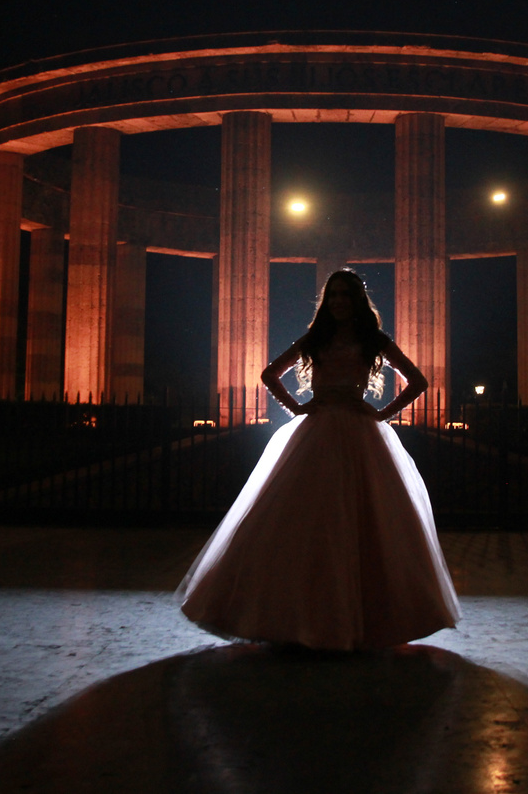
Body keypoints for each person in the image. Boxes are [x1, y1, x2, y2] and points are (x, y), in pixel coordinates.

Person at [176, 269, 462, 651]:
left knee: (362, 520)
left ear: (357, 300)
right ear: (327, 301)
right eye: (334, 295)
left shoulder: (373, 339)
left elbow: (418, 381)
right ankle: (298, 618)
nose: (339, 301)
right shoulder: (315, 338)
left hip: (360, 429)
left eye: (346, 295)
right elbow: (269, 373)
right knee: (305, 520)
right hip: (318, 427)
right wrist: (299, 408)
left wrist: (381, 414)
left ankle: (356, 620)